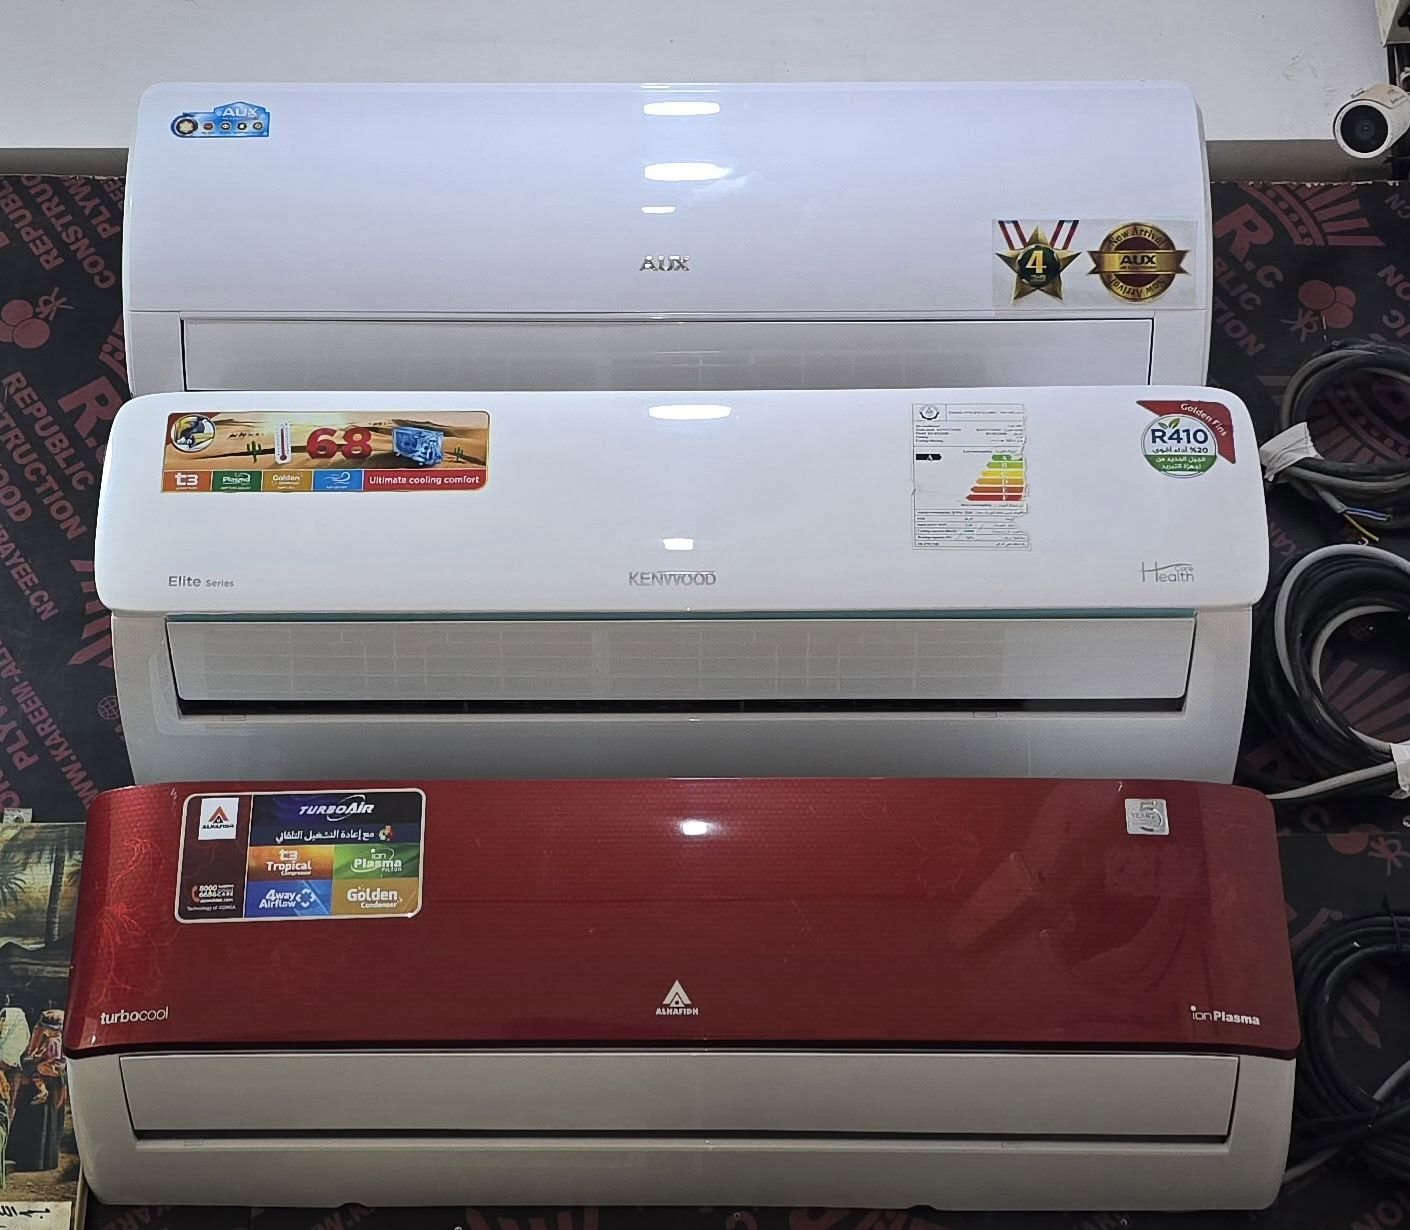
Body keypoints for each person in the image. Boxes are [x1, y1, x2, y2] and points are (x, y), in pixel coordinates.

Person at [8, 1007, 65, 1172]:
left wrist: (38, 1066)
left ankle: (37, 1161)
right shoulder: (48, 1041)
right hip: (41, 1083)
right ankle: (36, 1160)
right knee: (37, 1123)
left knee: (43, 1122)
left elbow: (54, 1065)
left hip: (48, 1085)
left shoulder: (54, 1042)